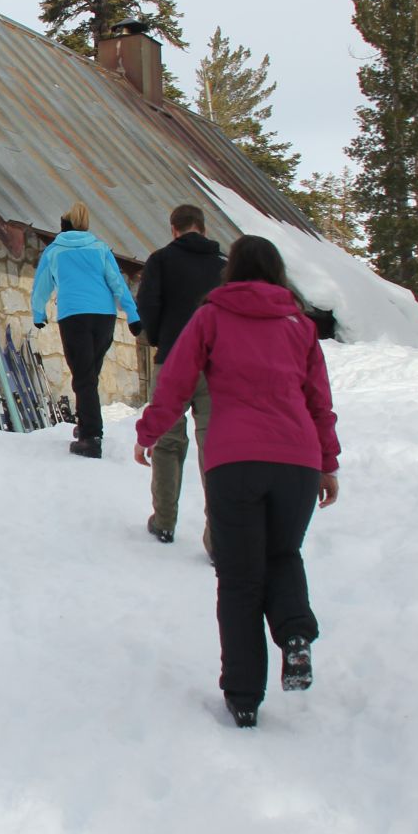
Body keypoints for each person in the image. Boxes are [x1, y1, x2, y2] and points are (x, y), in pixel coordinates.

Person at [132, 235, 339, 730]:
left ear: (233, 272)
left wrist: (149, 432)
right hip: (296, 461)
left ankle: (244, 695)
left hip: (234, 462)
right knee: (283, 556)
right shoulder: (299, 326)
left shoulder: (212, 316)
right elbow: (318, 401)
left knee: (240, 577)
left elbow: (176, 381)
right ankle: (293, 634)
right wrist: (327, 463)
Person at [133, 204, 225, 547]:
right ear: (203, 227)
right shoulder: (223, 266)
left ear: (173, 229)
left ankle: (165, 521)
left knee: (169, 444)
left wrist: (159, 338)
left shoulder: (160, 260)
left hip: (173, 359)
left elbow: (148, 307)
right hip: (216, 366)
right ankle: (217, 536)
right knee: (213, 448)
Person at [31, 201, 140, 458]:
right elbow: (117, 283)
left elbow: (42, 285)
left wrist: (39, 313)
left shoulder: (55, 251)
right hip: (104, 316)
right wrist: (133, 314)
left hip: (74, 315)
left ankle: (91, 437)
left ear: (63, 226)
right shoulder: (100, 249)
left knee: (83, 375)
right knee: (89, 372)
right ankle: (86, 424)